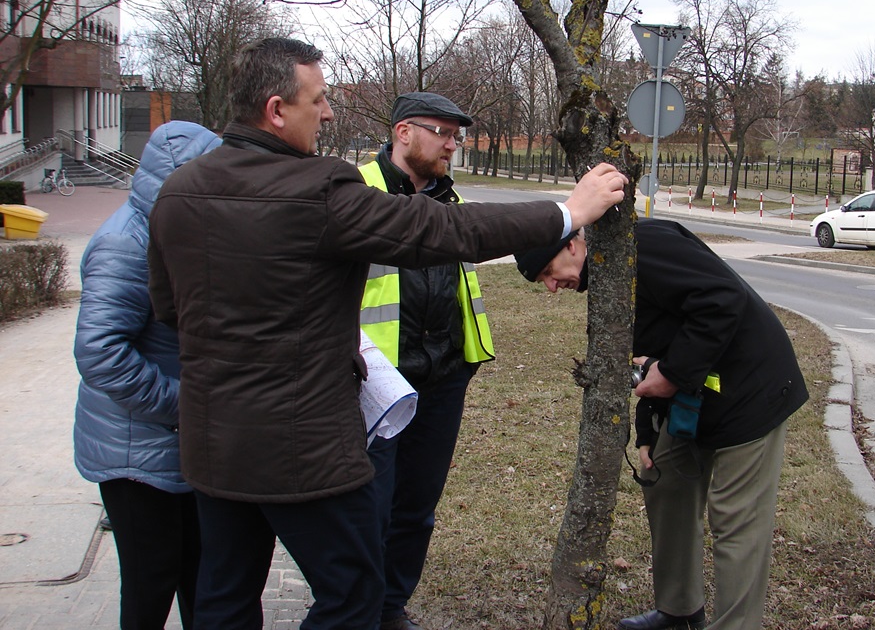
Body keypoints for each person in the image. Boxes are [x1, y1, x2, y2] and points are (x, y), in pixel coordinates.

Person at [146, 37, 627, 630]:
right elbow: (442, 232)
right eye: (317, 101)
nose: (327, 113)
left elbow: (169, 312)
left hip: (213, 442)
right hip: (304, 448)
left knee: (223, 594)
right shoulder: (319, 190)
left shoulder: (178, 191)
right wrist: (568, 213)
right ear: (276, 110)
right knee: (351, 594)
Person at [514, 219, 809, 630]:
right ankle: (679, 611)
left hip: (751, 389)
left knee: (735, 521)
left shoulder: (641, 247)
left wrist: (671, 374)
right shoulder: (607, 268)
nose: (550, 286)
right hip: (696, 391)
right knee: (664, 479)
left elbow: (722, 298)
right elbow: (646, 349)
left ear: (572, 244)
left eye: (548, 272)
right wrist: (648, 431)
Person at [73, 121, 221, 630]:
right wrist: (184, 405)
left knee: (200, 576)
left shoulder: (181, 230)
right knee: (150, 584)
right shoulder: (125, 244)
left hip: (180, 442)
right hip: (136, 453)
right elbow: (99, 353)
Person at [359, 92, 492, 630]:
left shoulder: (449, 202)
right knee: (370, 508)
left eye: (456, 135)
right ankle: (358, 609)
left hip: (442, 380)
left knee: (417, 507)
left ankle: (391, 606)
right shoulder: (357, 192)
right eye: (442, 132)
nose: (452, 144)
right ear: (404, 132)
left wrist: (460, 363)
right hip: (375, 383)